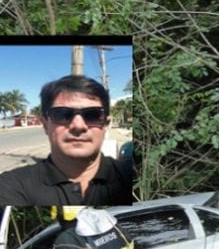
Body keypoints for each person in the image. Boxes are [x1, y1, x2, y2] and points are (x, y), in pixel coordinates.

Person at [0, 75, 132, 206]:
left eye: (92, 115)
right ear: (45, 125)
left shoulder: (132, 176)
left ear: (105, 125)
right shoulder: (12, 186)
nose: (78, 126)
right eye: (63, 115)